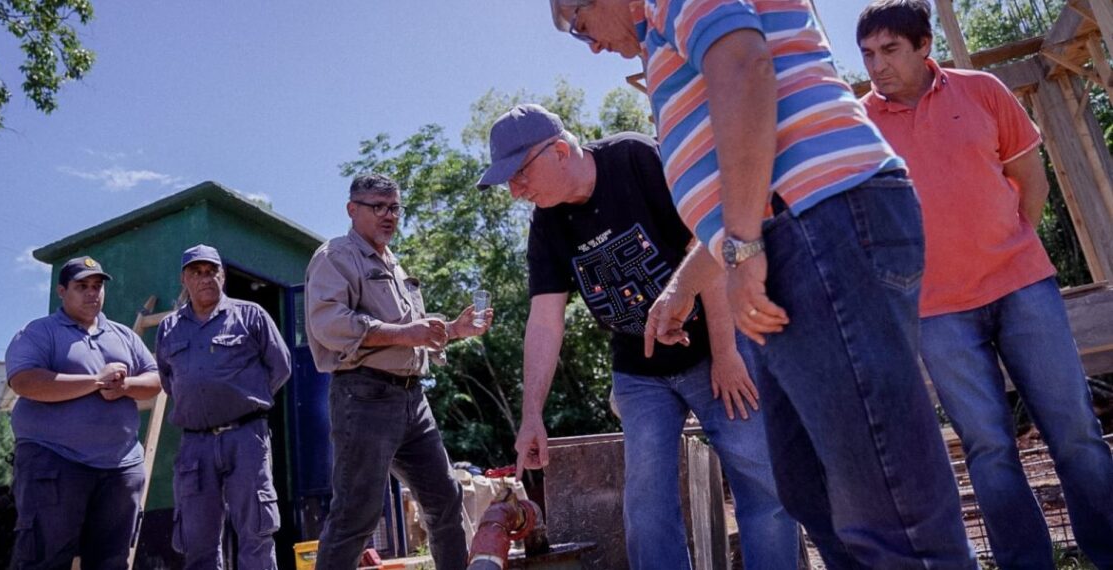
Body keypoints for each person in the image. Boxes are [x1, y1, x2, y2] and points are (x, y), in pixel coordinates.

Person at [546, 1, 976, 567]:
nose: (593, 45)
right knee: (805, 484)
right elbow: (729, 171)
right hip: (792, 232)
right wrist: (686, 284)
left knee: (881, 488)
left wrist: (744, 246)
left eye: (580, 27)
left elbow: (747, 70)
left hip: (817, 221)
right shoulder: (659, 31)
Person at [479, 104, 799, 570]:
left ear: (561, 152)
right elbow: (545, 319)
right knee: (646, 506)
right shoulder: (547, 221)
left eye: (520, 174)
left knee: (762, 480)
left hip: (716, 346)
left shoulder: (634, 159)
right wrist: (531, 414)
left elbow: (705, 245)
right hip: (640, 373)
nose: (515, 190)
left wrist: (729, 353)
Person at [856, 1, 1113, 566]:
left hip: (1022, 287)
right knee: (989, 450)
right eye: (868, 54)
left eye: (890, 50)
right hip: (936, 311)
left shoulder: (982, 91)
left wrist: (1008, 245)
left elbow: (1029, 178)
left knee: (1074, 431)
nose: (877, 65)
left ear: (924, 46)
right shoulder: (859, 126)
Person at [304, 173, 493, 570]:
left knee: (445, 500)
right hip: (365, 397)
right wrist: (408, 332)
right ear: (352, 210)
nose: (388, 215)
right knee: (357, 514)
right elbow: (330, 324)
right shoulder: (335, 256)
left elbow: (412, 333)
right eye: (377, 207)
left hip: (412, 400)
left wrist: (454, 330)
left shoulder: (393, 263)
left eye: (394, 207)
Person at [4, 256, 161, 569]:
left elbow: (155, 379)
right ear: (62, 291)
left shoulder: (124, 336)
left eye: (97, 286)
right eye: (82, 286)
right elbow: (24, 381)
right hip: (55, 460)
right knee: (44, 559)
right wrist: (95, 381)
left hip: (120, 467)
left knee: (111, 561)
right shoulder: (39, 332)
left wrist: (126, 385)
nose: (93, 293)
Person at [154, 244, 292, 569]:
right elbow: (168, 381)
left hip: (246, 438)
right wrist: (202, 405)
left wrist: (243, 401)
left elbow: (281, 367)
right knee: (196, 538)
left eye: (211, 271)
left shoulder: (251, 315)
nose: (204, 278)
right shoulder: (169, 328)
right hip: (195, 445)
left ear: (223, 275)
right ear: (183, 279)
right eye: (195, 272)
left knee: (256, 532)